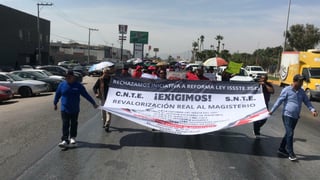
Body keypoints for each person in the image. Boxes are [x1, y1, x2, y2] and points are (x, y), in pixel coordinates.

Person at [269, 74, 318, 161]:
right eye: (300, 81)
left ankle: (281, 149)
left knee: (288, 133)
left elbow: (307, 101)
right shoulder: (286, 90)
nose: (302, 83)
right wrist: (272, 110)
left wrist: (312, 110)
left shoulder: (302, 92)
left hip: (295, 116)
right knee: (290, 133)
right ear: (295, 81)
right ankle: (291, 153)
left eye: (302, 81)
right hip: (287, 115)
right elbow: (279, 101)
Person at [54, 70, 98, 149]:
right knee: (65, 124)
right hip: (64, 108)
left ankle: (73, 137)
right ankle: (65, 139)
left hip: (75, 109)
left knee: (74, 123)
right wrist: (55, 103)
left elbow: (86, 95)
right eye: (66, 77)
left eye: (69, 77)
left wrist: (93, 103)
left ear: (73, 77)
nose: (67, 78)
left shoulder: (78, 86)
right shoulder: (62, 85)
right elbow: (58, 94)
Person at [93, 67, 114, 132]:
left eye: (108, 73)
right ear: (103, 73)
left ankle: (107, 124)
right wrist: (96, 93)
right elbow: (94, 88)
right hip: (102, 97)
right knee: (103, 112)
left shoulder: (111, 79)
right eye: (105, 73)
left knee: (109, 112)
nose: (107, 74)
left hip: (110, 98)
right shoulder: (100, 79)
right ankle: (104, 122)